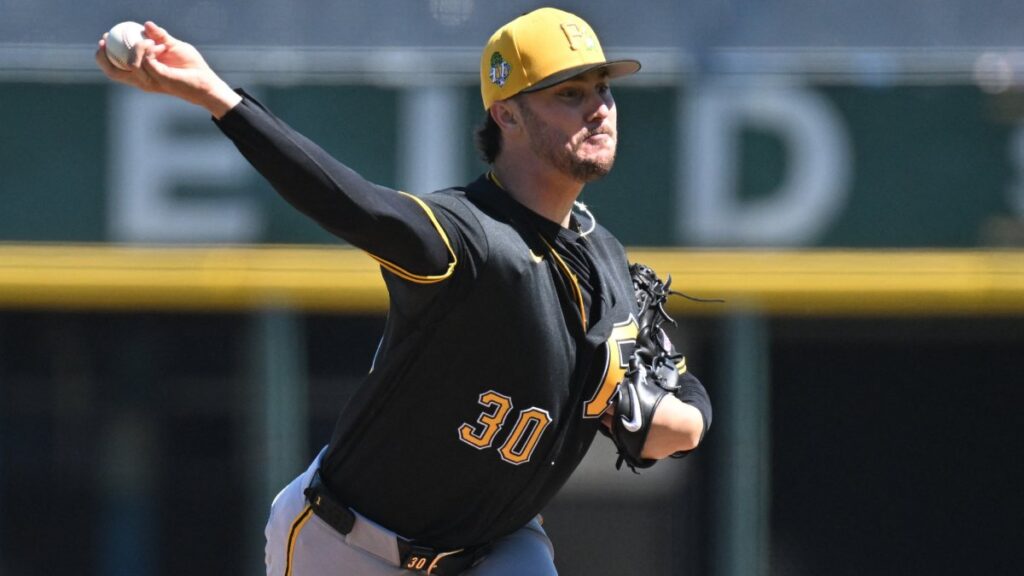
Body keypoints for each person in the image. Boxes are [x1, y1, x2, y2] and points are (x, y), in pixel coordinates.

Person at [95, 7, 711, 575]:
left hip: (494, 551)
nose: (598, 108)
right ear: (508, 114)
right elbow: (349, 203)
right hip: (345, 544)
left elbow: (669, 421)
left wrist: (681, 415)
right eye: (569, 94)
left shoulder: (603, 264)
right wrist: (217, 98)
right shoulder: (469, 236)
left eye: (603, 88)